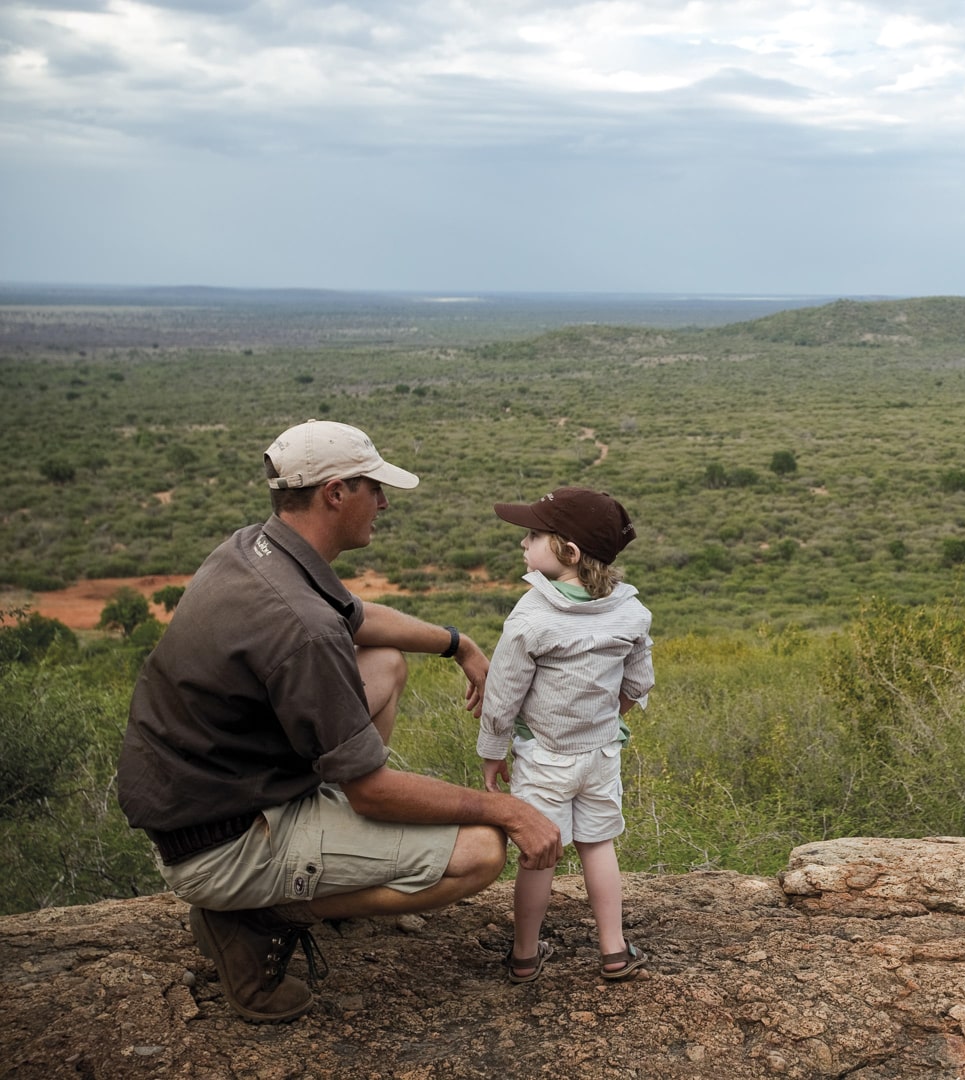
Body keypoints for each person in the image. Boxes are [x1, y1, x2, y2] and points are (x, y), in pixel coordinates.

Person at [116, 419, 563, 1024]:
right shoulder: (300, 627)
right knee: (481, 851)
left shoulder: (255, 549)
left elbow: (356, 618)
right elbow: (373, 791)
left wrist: (459, 644)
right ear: (334, 493)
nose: (381, 502)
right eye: (372, 488)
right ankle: (255, 916)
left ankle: (294, 869)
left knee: (382, 664)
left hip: (207, 796)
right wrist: (509, 810)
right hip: (223, 844)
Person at [479, 487, 653, 983]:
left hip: (544, 758)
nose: (524, 543)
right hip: (601, 754)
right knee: (598, 846)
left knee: (540, 855)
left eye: (533, 536)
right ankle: (614, 951)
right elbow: (639, 682)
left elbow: (503, 694)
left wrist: (492, 752)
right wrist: (606, 717)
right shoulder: (631, 612)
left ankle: (525, 956)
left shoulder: (532, 616)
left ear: (568, 553)